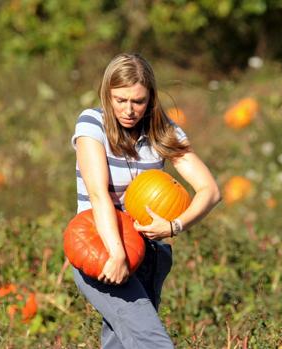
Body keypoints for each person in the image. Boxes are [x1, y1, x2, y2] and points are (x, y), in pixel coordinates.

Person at [71, 53, 221, 348]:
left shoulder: (163, 131)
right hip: (102, 246)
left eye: (138, 101)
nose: (129, 110)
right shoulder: (92, 124)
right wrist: (116, 255)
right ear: (107, 95)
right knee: (152, 341)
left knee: (123, 342)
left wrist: (175, 225)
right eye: (120, 100)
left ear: (150, 98)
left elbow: (210, 191)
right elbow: (99, 194)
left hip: (150, 253)